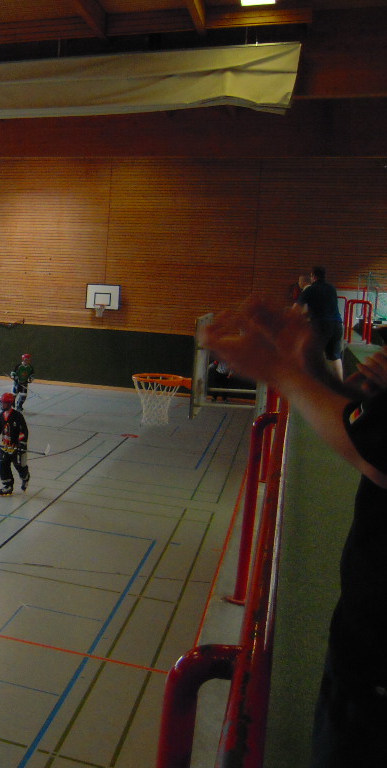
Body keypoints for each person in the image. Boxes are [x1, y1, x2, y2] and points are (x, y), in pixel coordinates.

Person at [201, 296, 387, 768]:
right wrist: (309, 367)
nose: (380, 355)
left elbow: (375, 452)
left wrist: (279, 372)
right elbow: (365, 424)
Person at [297, 265, 345, 380]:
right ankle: (340, 384)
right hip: (337, 325)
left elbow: (296, 309)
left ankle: (313, 383)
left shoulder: (310, 289)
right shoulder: (331, 288)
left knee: (311, 354)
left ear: (313, 276)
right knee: (335, 357)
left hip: (322, 325)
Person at [0, 391, 31, 496]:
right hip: (5, 447)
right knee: (3, 465)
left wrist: (22, 443)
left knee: (20, 466)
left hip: (16, 448)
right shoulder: (1, 416)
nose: (2, 404)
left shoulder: (18, 416)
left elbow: (23, 431)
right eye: (2, 402)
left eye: (4, 403)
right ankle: (8, 485)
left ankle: (25, 477)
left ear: (10, 404)